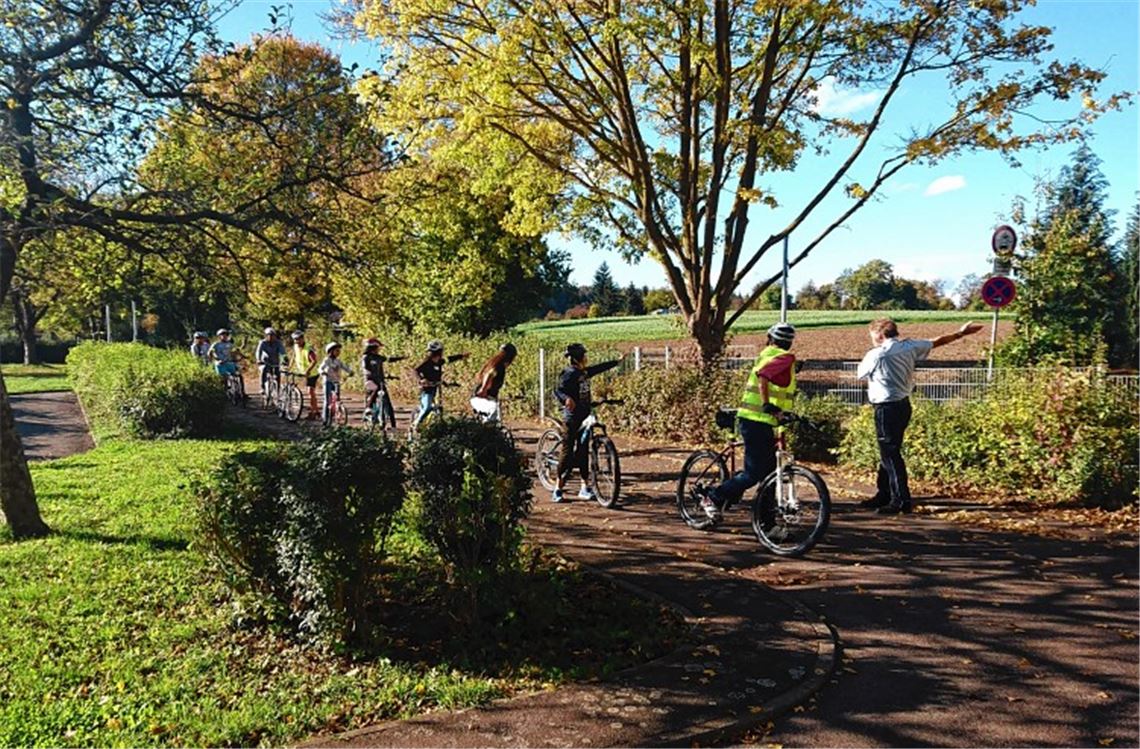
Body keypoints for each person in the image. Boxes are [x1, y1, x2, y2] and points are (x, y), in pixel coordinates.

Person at [856, 318, 983, 514]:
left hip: (885, 408)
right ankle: (884, 494)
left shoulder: (876, 354)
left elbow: (860, 374)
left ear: (879, 335)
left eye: (872, 336)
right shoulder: (910, 346)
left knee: (890, 454)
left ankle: (900, 500)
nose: (872, 340)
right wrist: (961, 333)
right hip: (903, 405)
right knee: (890, 451)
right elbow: (937, 341)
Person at [698, 322, 798, 522]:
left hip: (760, 421)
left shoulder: (768, 354)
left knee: (767, 475)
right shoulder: (784, 357)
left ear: (769, 338)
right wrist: (767, 404)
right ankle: (714, 496)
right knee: (755, 473)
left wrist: (783, 412)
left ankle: (766, 524)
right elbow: (763, 376)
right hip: (757, 420)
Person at [551, 343, 624, 503]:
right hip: (572, 417)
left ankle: (584, 487)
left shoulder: (583, 372)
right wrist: (567, 399)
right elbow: (557, 390)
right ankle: (558, 488)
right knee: (567, 452)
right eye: (584, 355)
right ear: (578, 358)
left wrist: (616, 362)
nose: (586, 358)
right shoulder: (569, 373)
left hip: (584, 415)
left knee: (583, 451)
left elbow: (599, 368)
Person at [412, 340, 470, 427]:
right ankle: (415, 424)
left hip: (436, 387)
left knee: (438, 407)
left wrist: (461, 356)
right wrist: (421, 380)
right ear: (437, 352)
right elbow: (415, 370)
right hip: (426, 389)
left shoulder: (439, 361)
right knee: (427, 408)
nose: (442, 353)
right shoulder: (427, 362)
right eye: (441, 351)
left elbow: (450, 359)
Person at [360, 338, 405, 428]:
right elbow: (365, 367)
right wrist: (368, 372)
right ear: (372, 347)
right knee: (375, 389)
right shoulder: (366, 357)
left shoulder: (379, 357)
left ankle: (393, 426)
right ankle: (368, 408)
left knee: (388, 403)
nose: (378, 349)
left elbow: (389, 359)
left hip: (380, 381)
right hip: (370, 381)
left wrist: (401, 358)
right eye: (377, 348)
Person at [470, 342, 518, 423]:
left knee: (494, 418)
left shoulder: (496, 364)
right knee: (491, 416)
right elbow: (489, 375)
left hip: (485, 398)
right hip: (479, 398)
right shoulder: (498, 366)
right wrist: (483, 390)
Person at [287, 330, 320, 420]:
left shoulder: (308, 348)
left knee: (310, 392)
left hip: (312, 373)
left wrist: (308, 370)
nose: (296, 341)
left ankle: (313, 412)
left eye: (298, 339)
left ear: (302, 338)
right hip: (302, 372)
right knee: (309, 392)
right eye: (295, 340)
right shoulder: (296, 347)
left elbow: (314, 361)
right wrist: (290, 367)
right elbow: (294, 356)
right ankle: (316, 410)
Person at [319, 342, 353, 425]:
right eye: (336, 351)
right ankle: (325, 419)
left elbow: (345, 367)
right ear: (331, 351)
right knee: (327, 400)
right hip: (328, 381)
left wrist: (350, 371)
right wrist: (322, 372)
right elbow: (320, 368)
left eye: (339, 351)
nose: (338, 352)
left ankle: (337, 415)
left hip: (336, 381)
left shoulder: (338, 361)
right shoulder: (326, 360)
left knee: (337, 399)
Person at [208, 328, 246, 399]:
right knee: (223, 379)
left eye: (226, 335)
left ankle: (242, 393)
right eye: (222, 335)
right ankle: (224, 393)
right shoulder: (216, 344)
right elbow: (210, 352)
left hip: (229, 362)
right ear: (219, 336)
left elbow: (235, 351)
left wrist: (242, 356)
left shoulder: (230, 344)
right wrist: (215, 359)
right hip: (220, 363)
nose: (224, 336)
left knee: (239, 376)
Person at [255, 327, 287, 395]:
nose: (271, 337)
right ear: (266, 336)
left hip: (275, 361)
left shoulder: (278, 343)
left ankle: (277, 390)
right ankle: (262, 387)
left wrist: (284, 359)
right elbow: (258, 352)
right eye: (269, 335)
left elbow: (282, 352)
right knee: (263, 370)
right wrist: (258, 359)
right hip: (265, 361)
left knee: (277, 374)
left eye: (272, 335)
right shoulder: (262, 343)